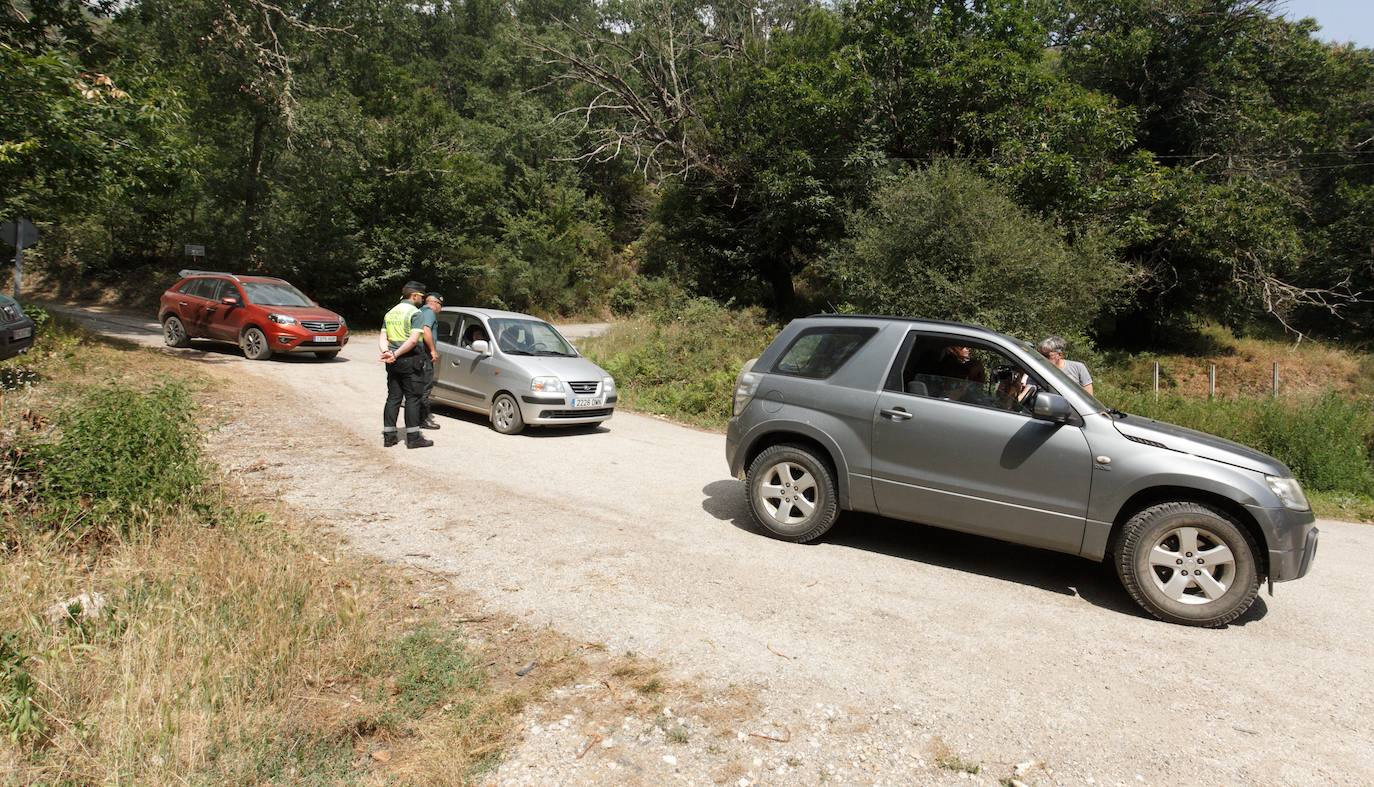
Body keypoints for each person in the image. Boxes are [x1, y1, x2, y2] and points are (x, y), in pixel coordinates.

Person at [379, 281, 433, 449]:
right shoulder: (415, 313)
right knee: (413, 399)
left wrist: (387, 352)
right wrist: (396, 354)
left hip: (393, 361)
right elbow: (412, 340)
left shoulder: (390, 312)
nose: (422, 300)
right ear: (414, 295)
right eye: (421, 297)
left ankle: (389, 436)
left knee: (393, 398)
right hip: (410, 360)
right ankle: (414, 438)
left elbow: (382, 337)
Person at [415, 292, 444, 430]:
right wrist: (433, 350)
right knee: (425, 388)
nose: (440, 308)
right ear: (434, 303)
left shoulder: (420, 311)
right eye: (440, 305)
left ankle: (416, 418)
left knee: (419, 387)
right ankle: (423, 419)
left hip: (418, 354)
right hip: (425, 354)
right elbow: (426, 330)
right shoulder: (429, 313)